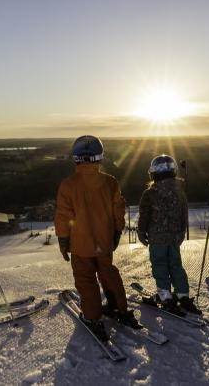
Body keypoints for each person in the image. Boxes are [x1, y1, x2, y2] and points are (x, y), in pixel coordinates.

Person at [55, 135, 141, 341]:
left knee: (86, 280)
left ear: (76, 158)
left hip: (80, 246)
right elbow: (118, 211)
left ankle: (93, 318)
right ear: (99, 157)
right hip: (104, 243)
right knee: (108, 274)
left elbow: (63, 216)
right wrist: (117, 232)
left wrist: (63, 240)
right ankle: (119, 308)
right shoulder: (110, 182)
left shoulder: (68, 185)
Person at [137, 155, 201, 315]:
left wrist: (141, 232)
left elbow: (144, 215)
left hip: (157, 238)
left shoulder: (149, 193)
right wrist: (181, 233)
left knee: (160, 265)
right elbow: (184, 214)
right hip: (174, 238)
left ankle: (165, 296)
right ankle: (183, 295)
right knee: (175, 265)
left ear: (153, 173)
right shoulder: (180, 191)